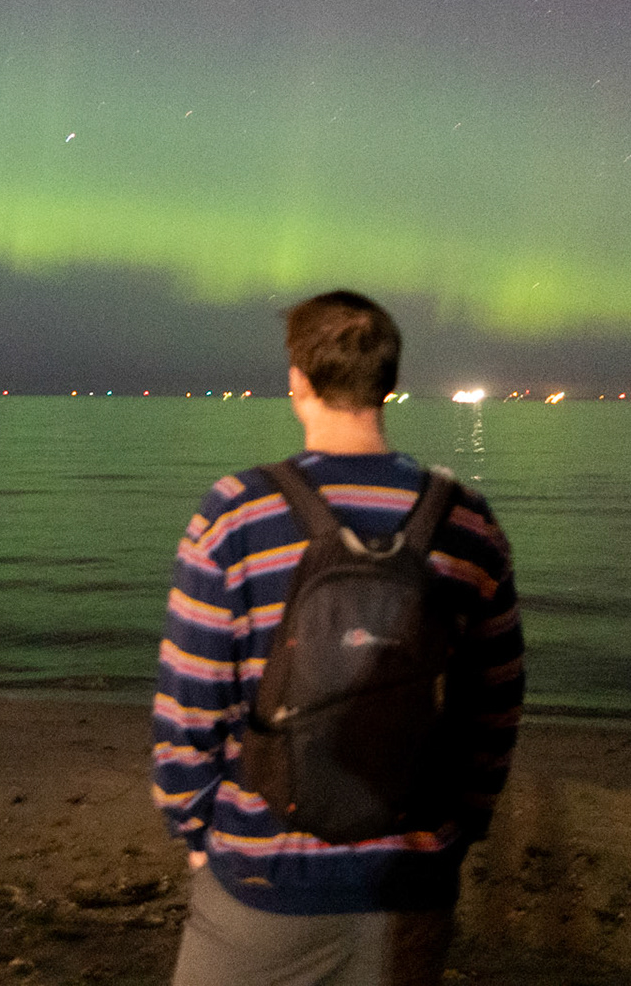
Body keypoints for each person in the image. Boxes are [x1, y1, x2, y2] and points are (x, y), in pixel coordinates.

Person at [152, 290, 525, 985]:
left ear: (298, 380)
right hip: (410, 882)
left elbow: (191, 704)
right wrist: (461, 830)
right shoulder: (467, 522)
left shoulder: (236, 515)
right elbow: (494, 704)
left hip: (261, 881)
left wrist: (195, 831)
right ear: (389, 382)